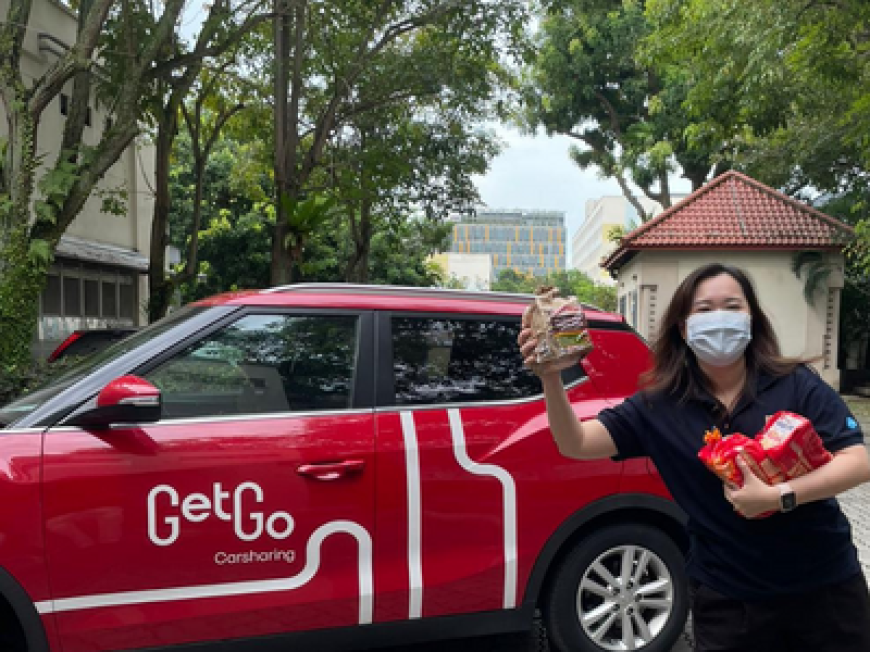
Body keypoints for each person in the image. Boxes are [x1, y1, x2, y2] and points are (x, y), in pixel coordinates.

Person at [518, 263, 870, 652]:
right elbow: (576, 443)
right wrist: (550, 377)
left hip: (825, 590)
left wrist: (779, 496)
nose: (719, 318)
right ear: (683, 329)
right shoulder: (658, 406)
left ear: (751, 320)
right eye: (704, 310)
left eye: (732, 306)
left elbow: (857, 460)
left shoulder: (796, 384)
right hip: (729, 601)